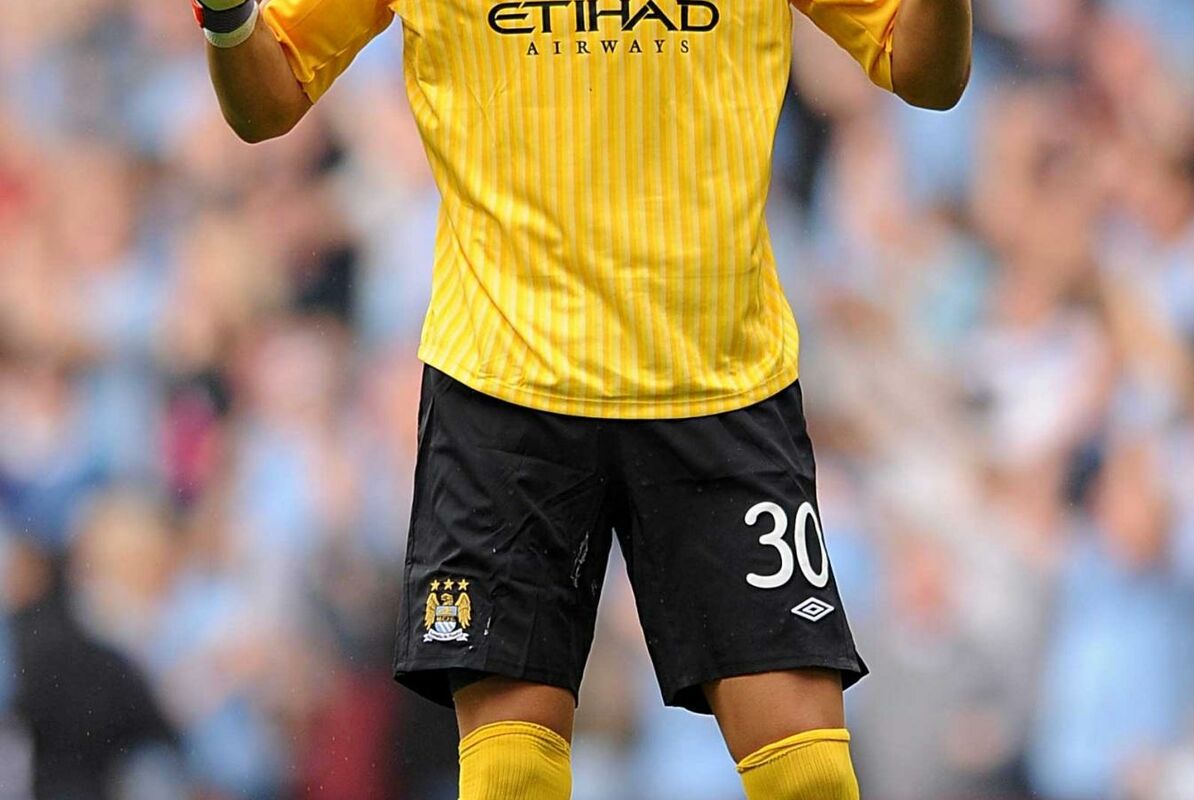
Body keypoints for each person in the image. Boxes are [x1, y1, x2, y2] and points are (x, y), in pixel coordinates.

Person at [191, 0, 972, 797]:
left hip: (716, 382)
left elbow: (926, 72)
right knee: (512, 778)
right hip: (506, 389)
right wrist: (224, 13)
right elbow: (268, 99)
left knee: (810, 780)